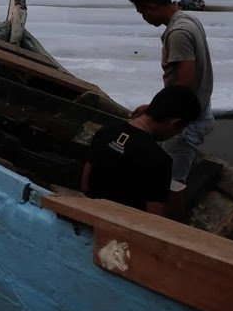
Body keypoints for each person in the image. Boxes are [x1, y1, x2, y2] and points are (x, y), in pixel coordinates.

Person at [128, 0, 215, 182]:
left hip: (183, 121)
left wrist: (154, 112)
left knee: (170, 182)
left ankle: (165, 213)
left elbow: (184, 84)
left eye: (142, 12)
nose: (144, 18)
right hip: (198, 109)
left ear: (151, 6)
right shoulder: (187, 19)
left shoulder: (178, 33)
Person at [81, 86, 201, 220]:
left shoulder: (105, 132)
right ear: (175, 123)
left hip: (94, 213)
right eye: (180, 130)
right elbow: (153, 218)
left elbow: (86, 186)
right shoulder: (159, 160)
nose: (176, 134)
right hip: (126, 227)